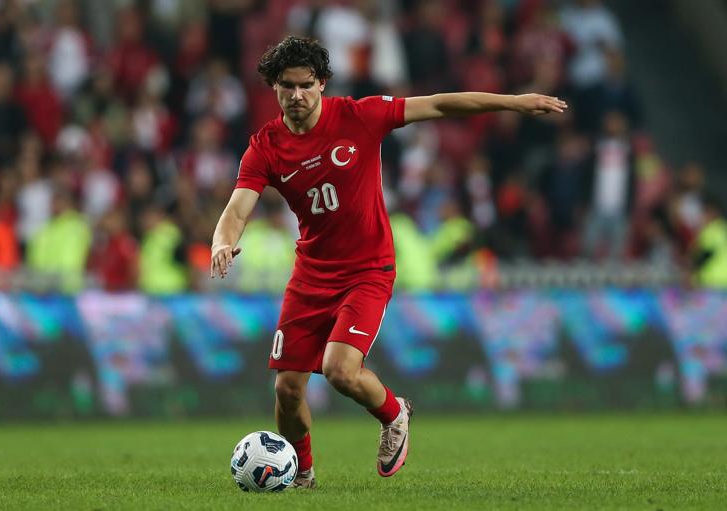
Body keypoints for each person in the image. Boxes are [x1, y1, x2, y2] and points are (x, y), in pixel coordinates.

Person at [210, 36, 567, 488]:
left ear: (322, 84)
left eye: (306, 85)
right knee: (286, 389)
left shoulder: (359, 116)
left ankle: (394, 413)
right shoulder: (266, 146)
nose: (296, 96)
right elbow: (238, 208)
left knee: (340, 372)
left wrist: (514, 103)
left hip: (367, 270)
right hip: (311, 273)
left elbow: (439, 105)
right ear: (274, 87)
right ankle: (302, 474)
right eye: (286, 86)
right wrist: (222, 242)